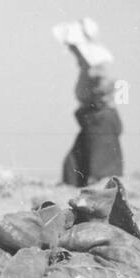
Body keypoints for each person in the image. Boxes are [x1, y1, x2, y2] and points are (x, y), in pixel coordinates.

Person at [55, 19, 122, 186]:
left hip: (100, 120)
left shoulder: (96, 66)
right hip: (91, 120)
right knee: (73, 167)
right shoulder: (87, 67)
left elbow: (107, 81)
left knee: (101, 173)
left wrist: (101, 87)